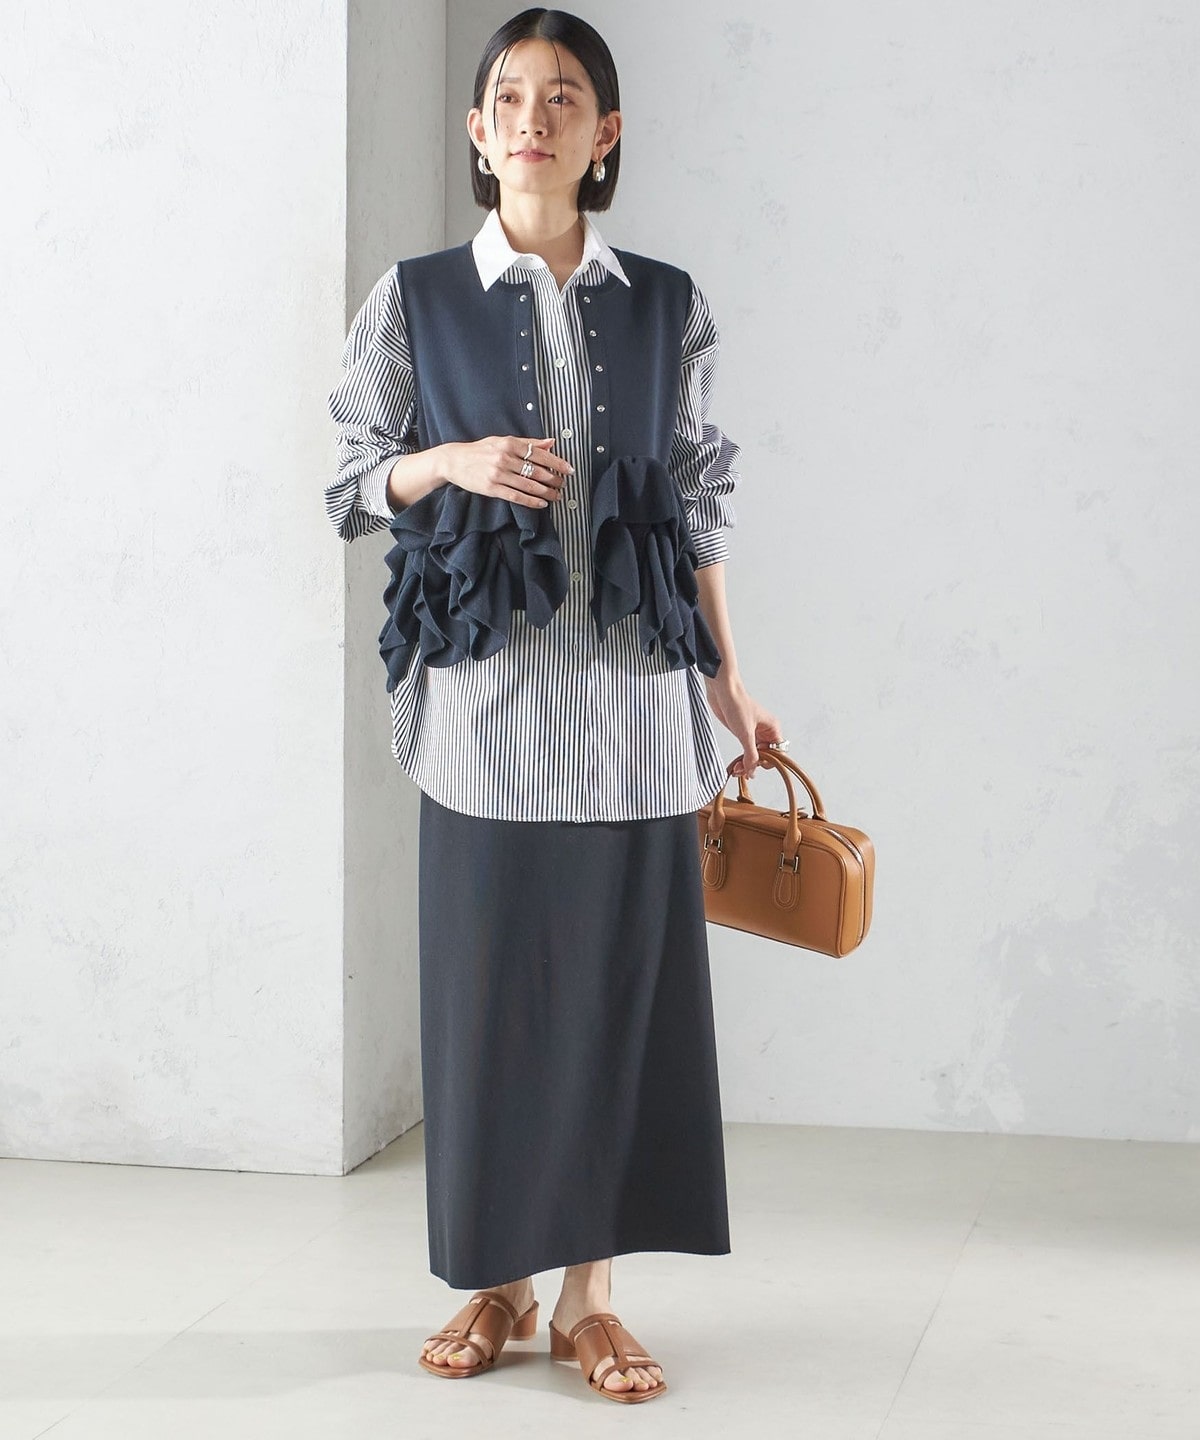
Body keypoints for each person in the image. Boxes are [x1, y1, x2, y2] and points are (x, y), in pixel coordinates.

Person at [325, 5, 783, 1405]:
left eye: (565, 95)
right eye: (511, 95)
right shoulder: (412, 299)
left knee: (616, 1006)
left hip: (636, 712)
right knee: (489, 1010)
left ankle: (590, 1297)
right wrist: (449, 461)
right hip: (485, 718)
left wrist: (730, 675)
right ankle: (496, 1283)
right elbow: (348, 474)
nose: (535, 116)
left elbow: (696, 502)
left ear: (605, 133)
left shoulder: (667, 305)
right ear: (478, 130)